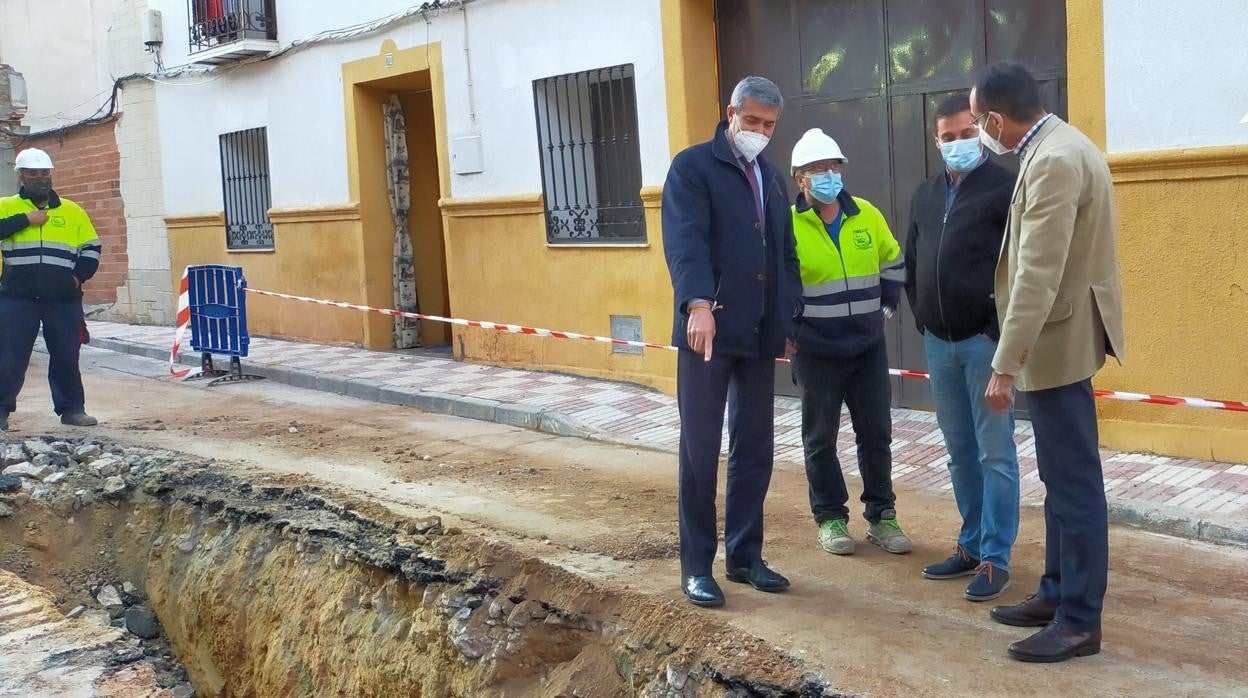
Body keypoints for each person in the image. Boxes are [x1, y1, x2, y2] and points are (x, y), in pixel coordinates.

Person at [970, 63, 1125, 663]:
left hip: (1055, 344)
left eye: (981, 123)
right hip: (1061, 338)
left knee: (1074, 482)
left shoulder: (1055, 160)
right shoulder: (1059, 143)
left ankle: (1080, 621)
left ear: (993, 119)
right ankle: (1058, 593)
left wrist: (1005, 366)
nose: (983, 135)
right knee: (1061, 480)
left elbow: (1037, 271)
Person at [661, 76, 802, 608]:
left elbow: (784, 255)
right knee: (700, 449)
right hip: (708, 331)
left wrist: (787, 320)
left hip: (758, 333)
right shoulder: (693, 167)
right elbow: (685, 241)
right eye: (754, 122)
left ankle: (745, 556)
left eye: (769, 126)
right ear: (731, 113)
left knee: (754, 448)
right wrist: (697, 304)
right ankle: (697, 566)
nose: (760, 133)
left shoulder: (770, 177)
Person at [904, 93, 1020, 602]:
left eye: (966, 134)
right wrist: (923, 319)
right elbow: (911, 264)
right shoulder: (924, 195)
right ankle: (970, 543)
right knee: (959, 453)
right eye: (947, 138)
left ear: (984, 132)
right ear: (936, 141)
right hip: (939, 344)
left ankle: (996, 556)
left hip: (983, 344)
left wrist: (999, 335)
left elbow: (1019, 266)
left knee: (995, 452)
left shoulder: (1005, 188)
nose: (957, 144)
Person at [787, 127, 911, 558]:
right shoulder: (788, 225)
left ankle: (882, 516)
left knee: (876, 434)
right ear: (799, 178)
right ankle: (831, 518)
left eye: (832, 167)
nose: (827, 175)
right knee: (820, 438)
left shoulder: (868, 216)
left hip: (866, 348)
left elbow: (894, 264)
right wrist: (790, 332)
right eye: (816, 169)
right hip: (817, 353)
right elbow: (777, 286)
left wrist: (886, 313)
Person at [0, 148, 102, 432]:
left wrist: (78, 278)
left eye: (44, 173)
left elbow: (91, 247)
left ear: (51, 175)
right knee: (9, 355)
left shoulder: (72, 211)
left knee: (67, 355)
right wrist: (25, 220)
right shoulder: (6, 206)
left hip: (63, 298)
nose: (39, 178)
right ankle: (1, 411)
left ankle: (72, 409)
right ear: (21, 176)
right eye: (32, 174)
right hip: (17, 297)